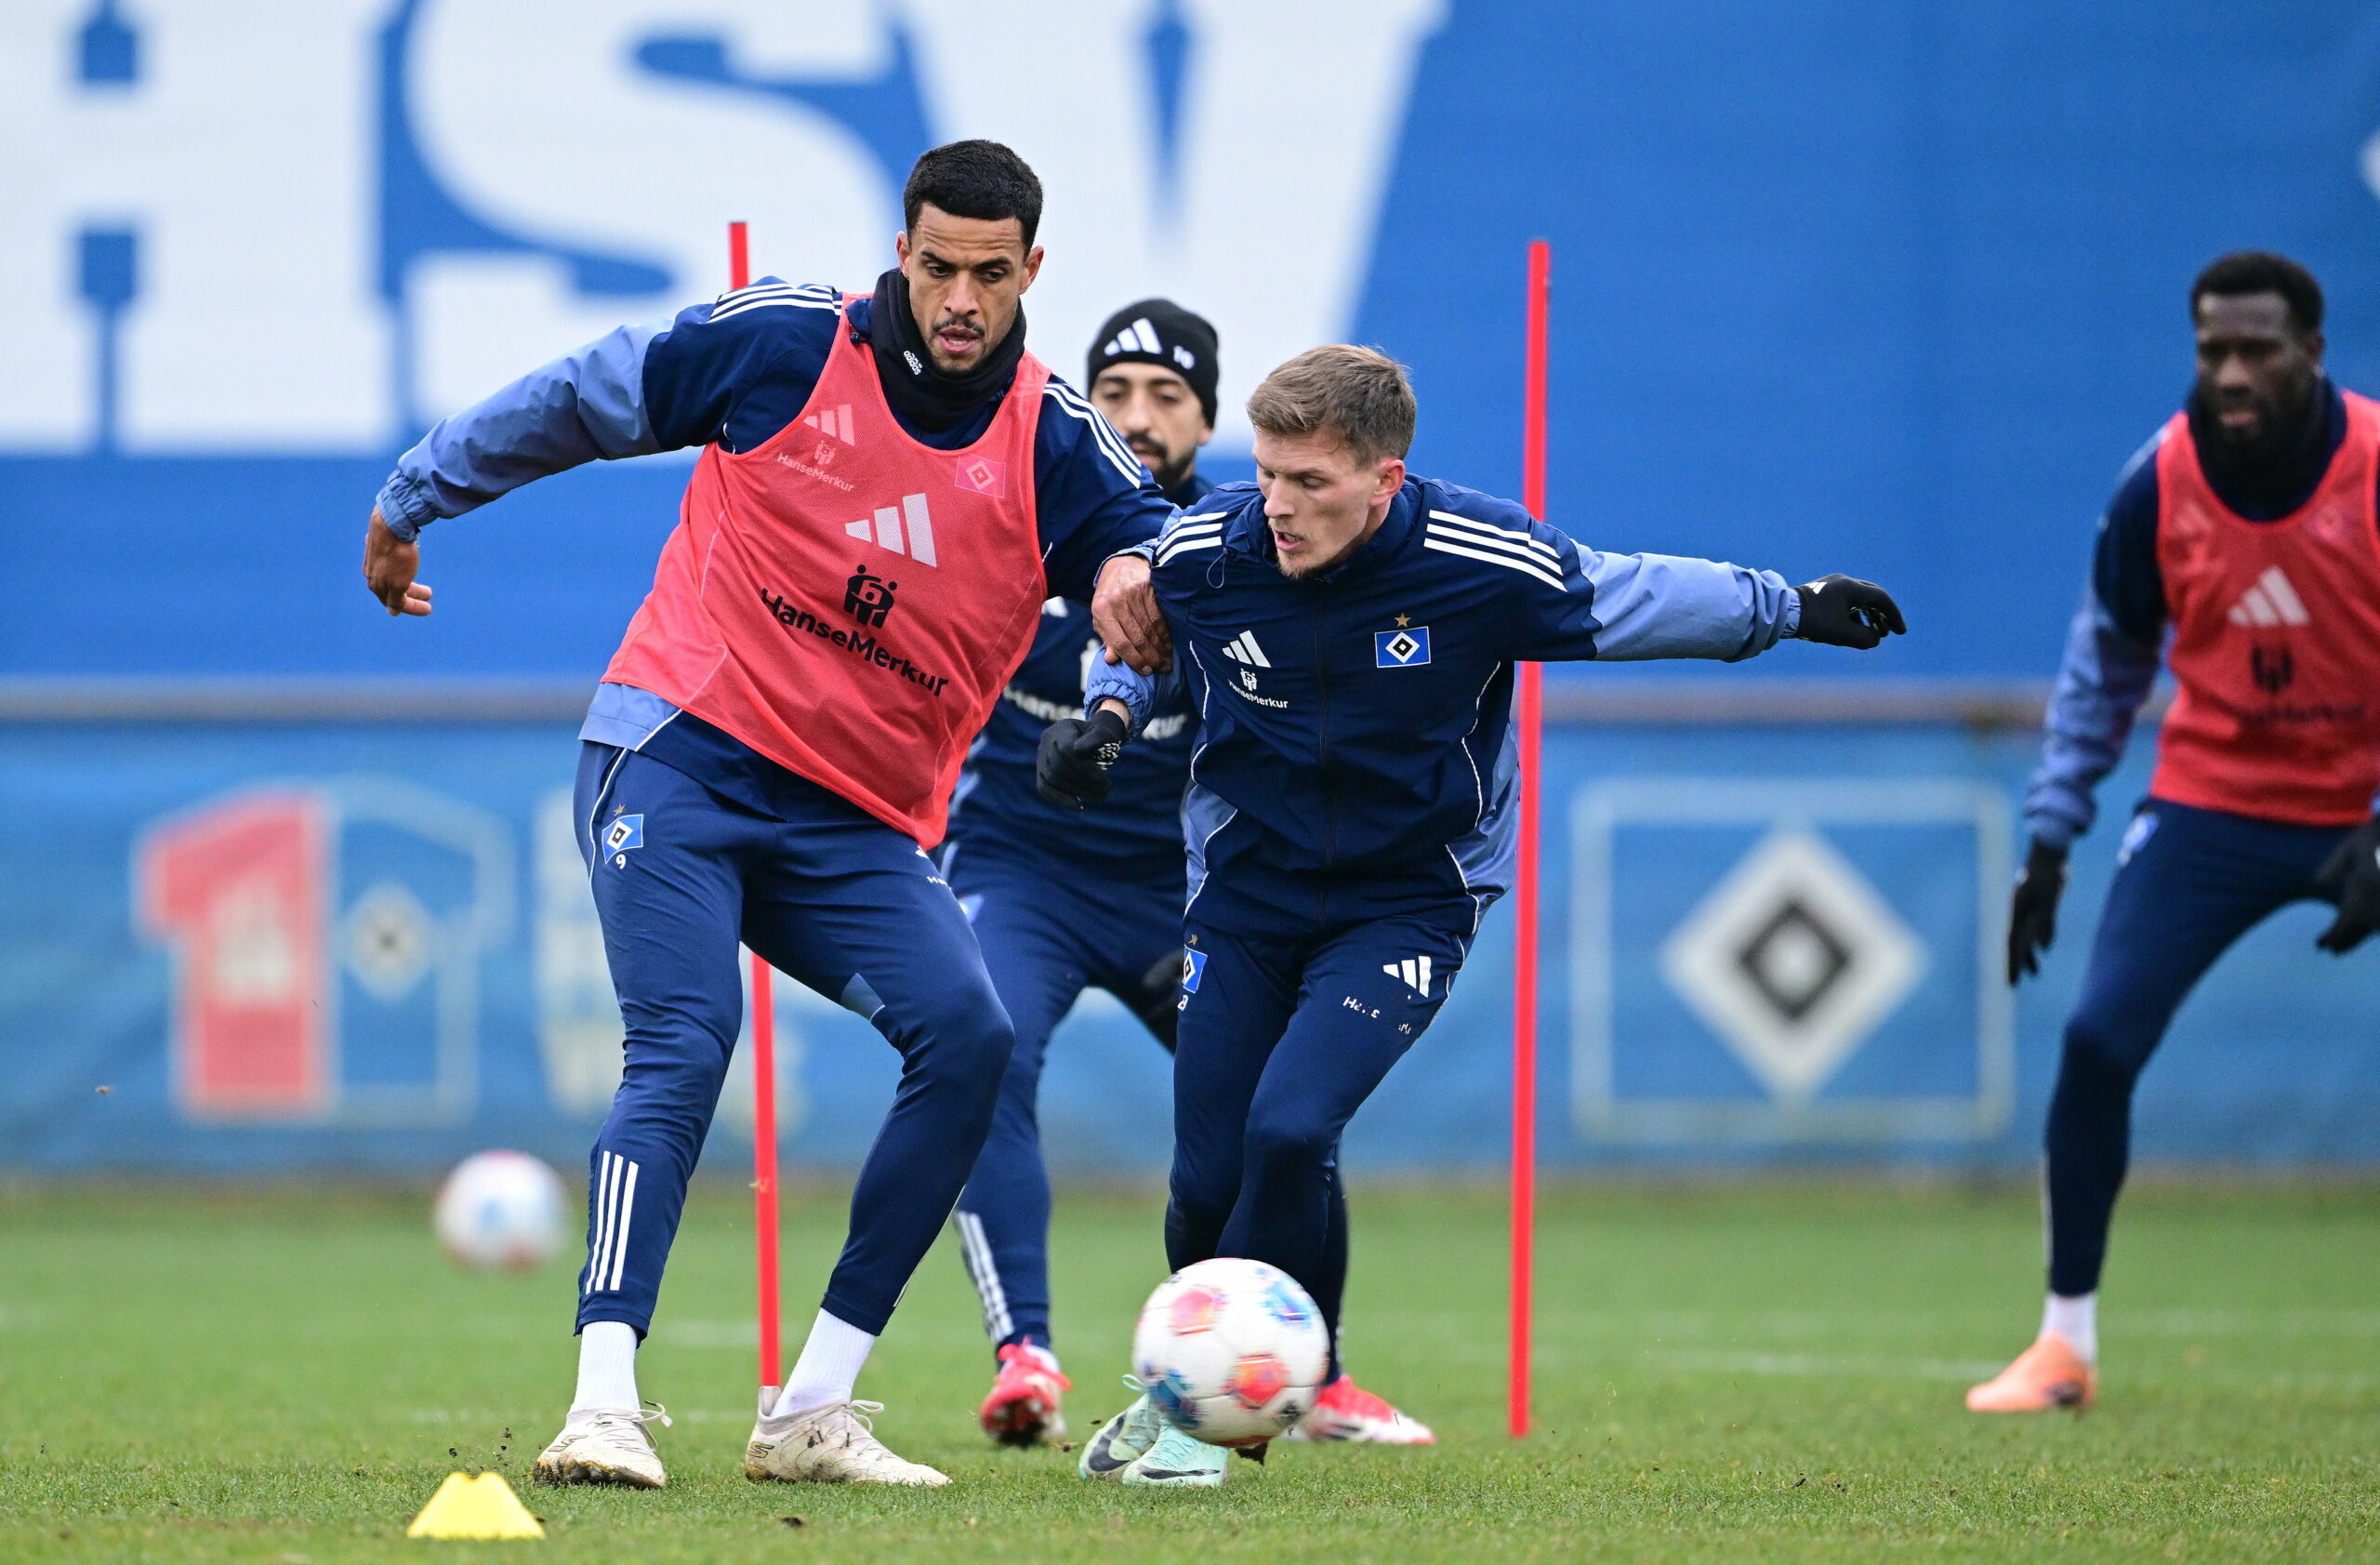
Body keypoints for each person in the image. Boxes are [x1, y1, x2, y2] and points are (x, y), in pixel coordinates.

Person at [360, 141, 1174, 1489]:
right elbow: (582, 397)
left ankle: (811, 1407)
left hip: (854, 821)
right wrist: (413, 496)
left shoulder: (1056, 438)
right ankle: (603, 1402)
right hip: (680, 750)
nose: (960, 298)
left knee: (968, 1035)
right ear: (900, 253)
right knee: (686, 1037)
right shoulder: (785, 344)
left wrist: (1126, 622)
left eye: (989, 273)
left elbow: (1132, 562)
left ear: (1033, 271)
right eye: (936, 267)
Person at [1042, 345, 1905, 1485]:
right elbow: (1141, 633)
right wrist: (1106, 718)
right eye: (1267, 476)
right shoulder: (1213, 548)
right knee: (1202, 1180)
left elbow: (1638, 593)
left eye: (1312, 483)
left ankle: (1216, 1425)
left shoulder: (1476, 559)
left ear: (1385, 480)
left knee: (1291, 1132)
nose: (1280, 509)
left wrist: (1788, 607)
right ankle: (1190, 1396)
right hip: (1245, 896)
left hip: (1405, 906)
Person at [945, 303, 1431, 1452]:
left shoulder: (1249, 552)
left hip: (1185, 894)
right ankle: (1028, 1356)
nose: (1136, 415)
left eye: (1166, 397)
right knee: (983, 1051)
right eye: (1111, 392)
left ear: (1207, 421)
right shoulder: (1009, 532)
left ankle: (1316, 1377)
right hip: (1023, 879)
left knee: (1284, 1120)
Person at [1973, 251, 2380, 1414]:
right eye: (2213, 351)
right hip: (2217, 803)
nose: (2232, 373)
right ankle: (2062, 1348)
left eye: (2257, 350)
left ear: (2311, 351)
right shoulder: (2159, 482)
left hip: (2366, 801)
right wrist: (2050, 839)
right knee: (2096, 1042)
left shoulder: (2373, 464)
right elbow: (2104, 667)